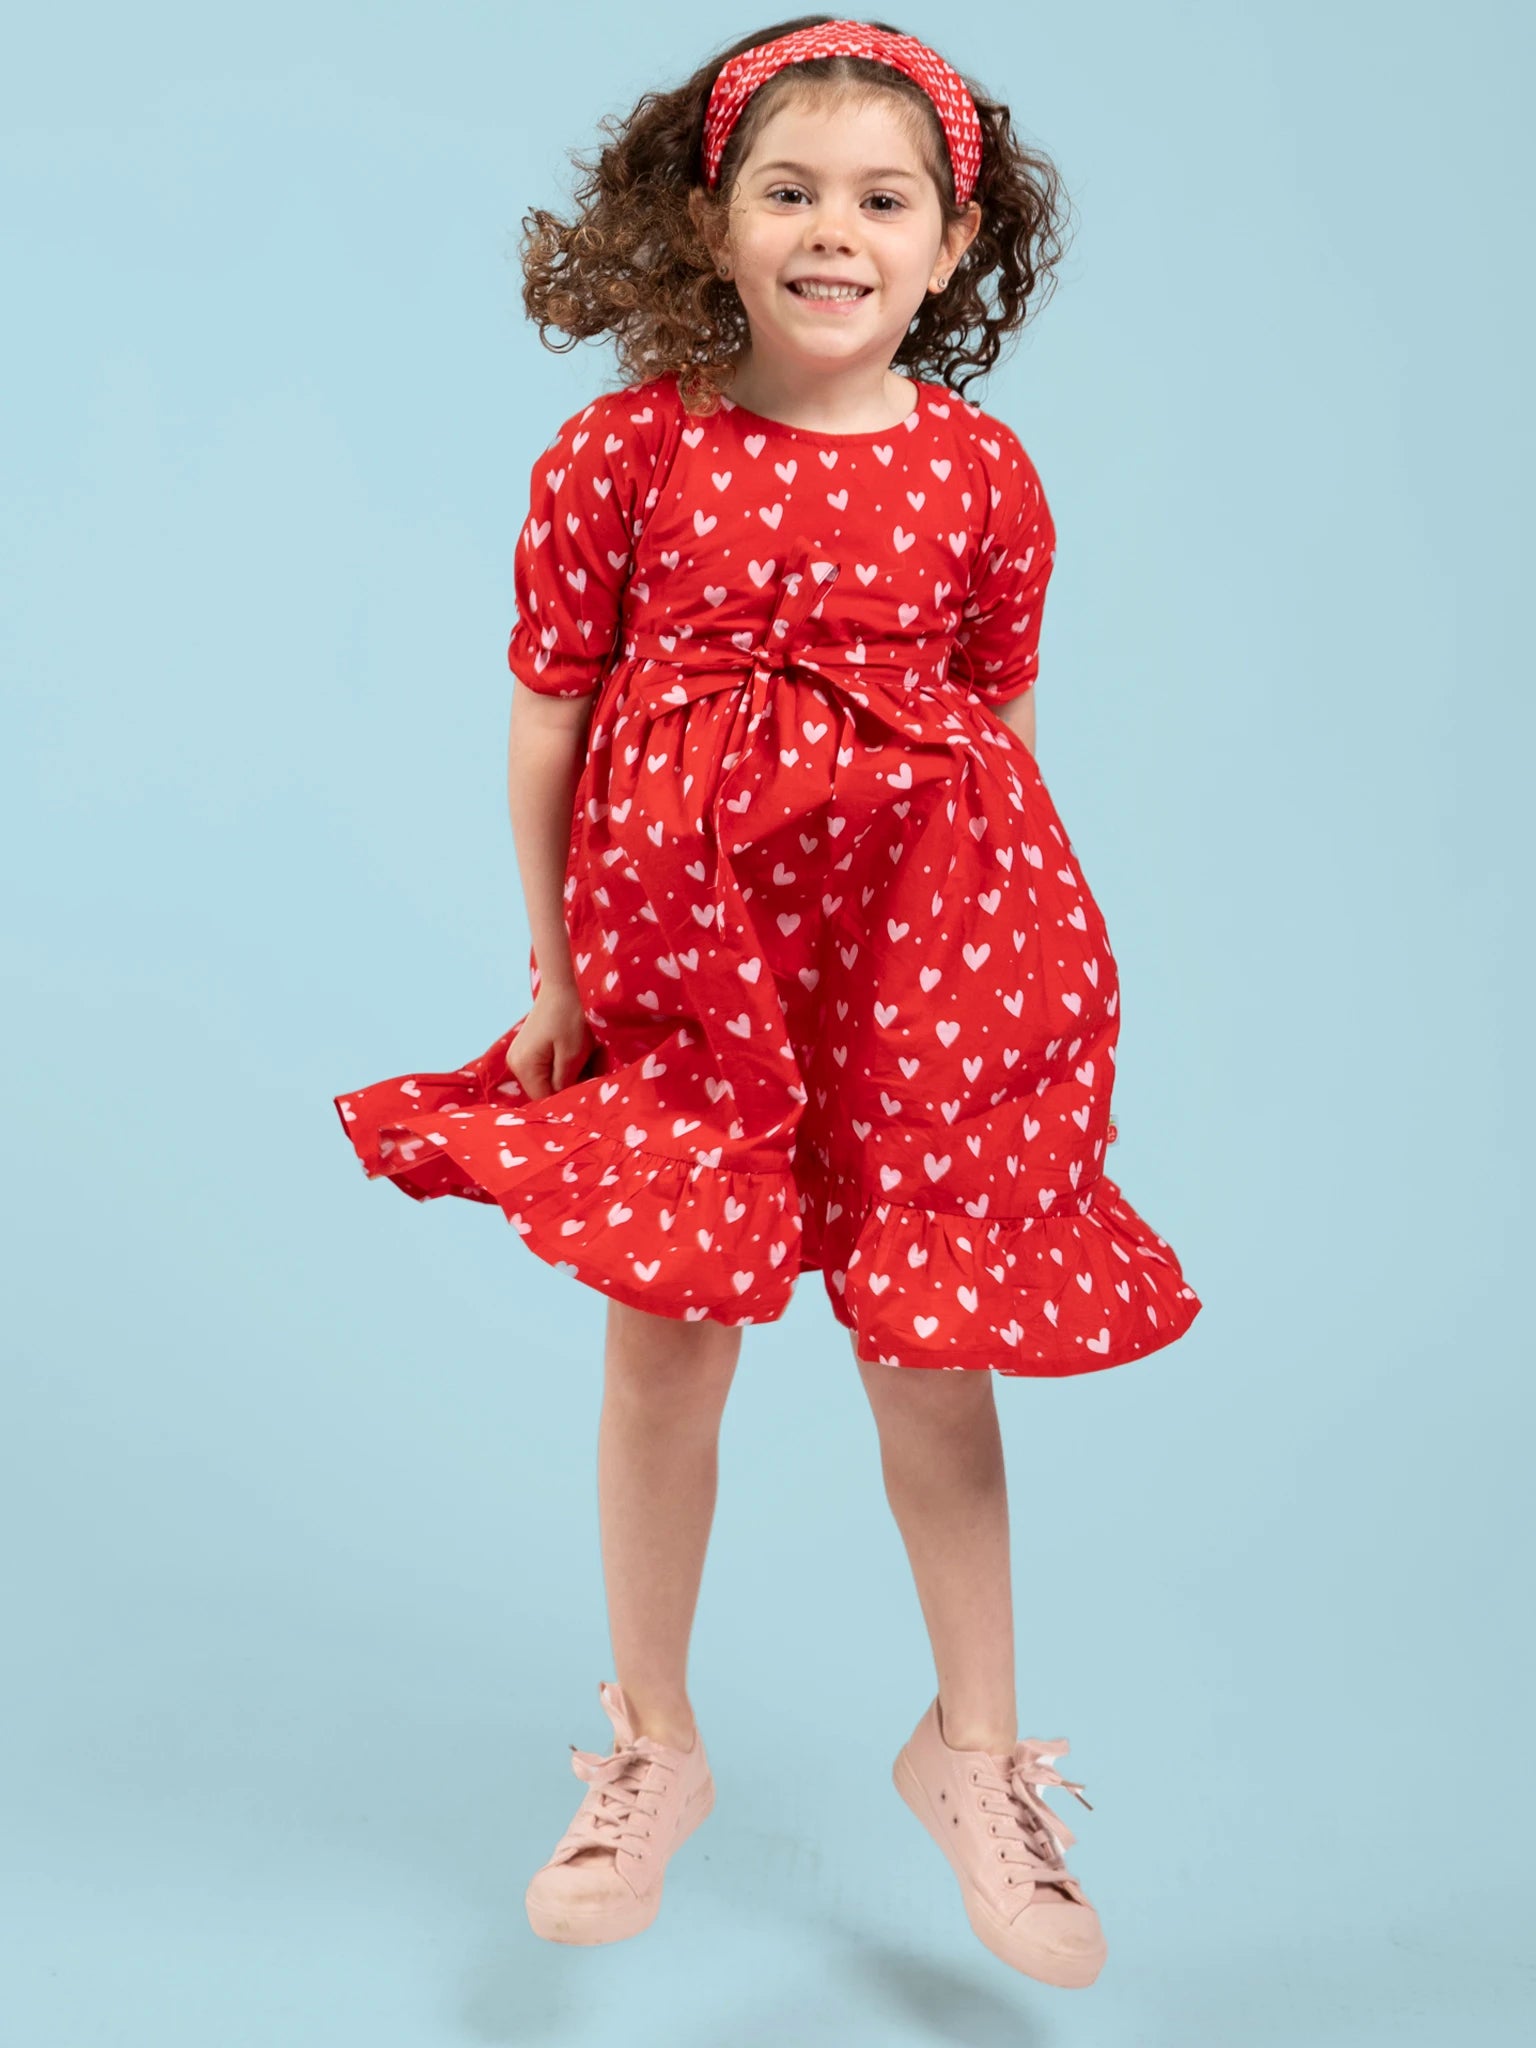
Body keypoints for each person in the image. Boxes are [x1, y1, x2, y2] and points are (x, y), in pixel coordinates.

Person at [332, 15, 1202, 1987]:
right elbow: (547, 722)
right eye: (789, 192)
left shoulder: (982, 473)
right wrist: (557, 973)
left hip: (926, 970)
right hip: (694, 969)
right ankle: (653, 1744)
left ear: (952, 240)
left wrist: (1020, 985)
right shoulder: (627, 451)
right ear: (712, 222)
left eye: (882, 199)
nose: (835, 232)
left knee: (934, 1353)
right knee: (668, 1348)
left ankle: (973, 1754)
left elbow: (1004, 735)